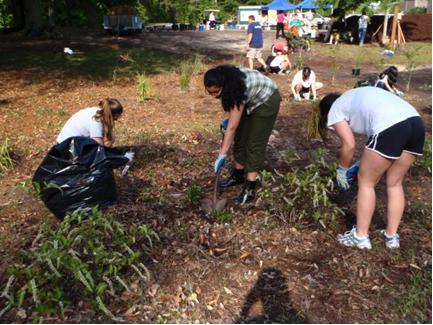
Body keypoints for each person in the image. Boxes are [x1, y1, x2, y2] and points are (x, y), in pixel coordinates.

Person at [318, 87, 426, 250]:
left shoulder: (335, 109)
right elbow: (380, 144)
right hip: (416, 124)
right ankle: (392, 237)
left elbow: (349, 145)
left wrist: (342, 169)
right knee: (394, 183)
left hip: (391, 126)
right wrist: (360, 164)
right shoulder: (354, 98)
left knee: (366, 183)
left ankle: (360, 237)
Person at [204, 66, 281, 204]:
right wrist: (231, 119)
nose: (214, 96)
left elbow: (232, 127)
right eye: (210, 93)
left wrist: (222, 155)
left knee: (255, 143)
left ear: (224, 85)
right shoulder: (227, 82)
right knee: (240, 138)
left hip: (266, 99)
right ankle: (238, 176)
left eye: (216, 92)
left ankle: (249, 188)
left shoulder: (237, 88)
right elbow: (234, 122)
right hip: (249, 98)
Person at [57, 98, 123, 147]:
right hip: (67, 148)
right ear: (109, 115)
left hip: (63, 142)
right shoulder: (96, 121)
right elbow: (98, 146)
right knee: (110, 138)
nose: (115, 120)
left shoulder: (97, 111)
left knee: (108, 136)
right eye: (115, 118)